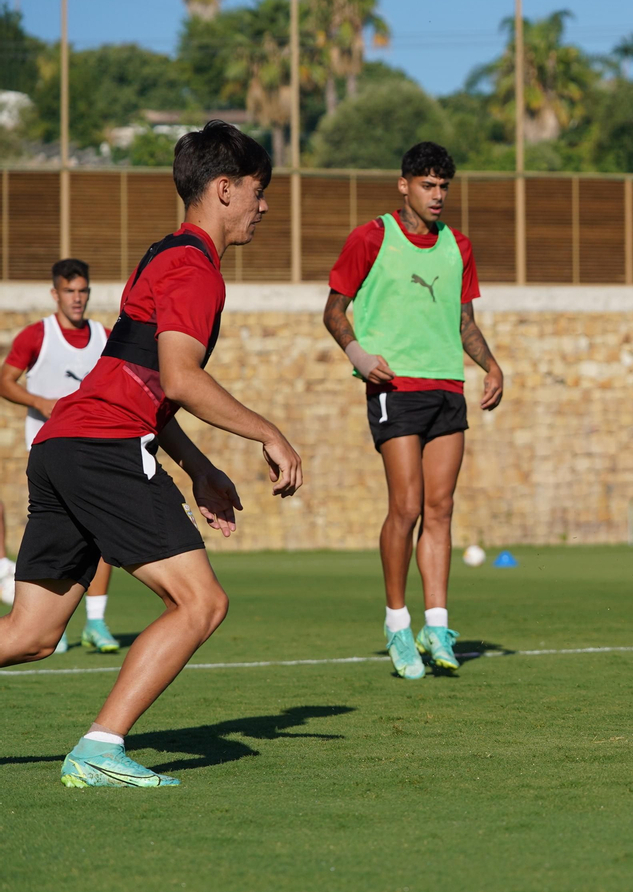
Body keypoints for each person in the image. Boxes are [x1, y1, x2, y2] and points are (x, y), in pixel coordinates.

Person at [0, 120, 303, 787]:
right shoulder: (195, 269)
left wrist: (199, 468)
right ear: (225, 190)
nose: (264, 205)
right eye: (259, 191)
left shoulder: (163, 254)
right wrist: (268, 432)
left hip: (61, 446)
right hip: (104, 447)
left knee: (30, 634)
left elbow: (139, 378)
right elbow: (180, 380)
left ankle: (101, 747)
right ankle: (100, 749)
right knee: (201, 603)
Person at [323, 141, 504, 682]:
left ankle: (438, 625)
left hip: (447, 386)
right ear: (404, 185)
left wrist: (492, 368)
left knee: (441, 508)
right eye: (428, 185)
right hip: (394, 389)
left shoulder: (458, 246)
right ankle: (398, 624)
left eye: (444, 186)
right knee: (405, 506)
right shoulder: (370, 237)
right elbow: (334, 311)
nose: (438, 195)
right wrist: (358, 355)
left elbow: (464, 322)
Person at [1, 258, 119, 653]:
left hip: (94, 453)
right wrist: (40, 402)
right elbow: (5, 381)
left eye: (83, 291)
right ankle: (46, 620)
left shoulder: (105, 337)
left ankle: (96, 622)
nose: (77, 298)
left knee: (101, 536)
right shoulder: (37, 335)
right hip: (48, 451)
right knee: (61, 537)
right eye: (69, 291)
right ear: (56, 294)